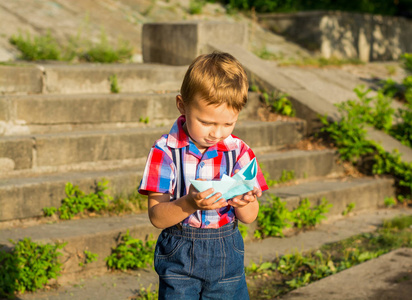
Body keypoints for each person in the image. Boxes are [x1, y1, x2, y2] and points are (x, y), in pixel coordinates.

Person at [138, 51, 268, 299]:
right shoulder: (164, 152)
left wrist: (246, 202)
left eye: (228, 124)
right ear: (182, 105)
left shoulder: (239, 152)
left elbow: (250, 218)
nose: (217, 133)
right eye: (206, 122)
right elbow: (157, 217)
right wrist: (189, 203)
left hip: (227, 255)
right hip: (180, 255)